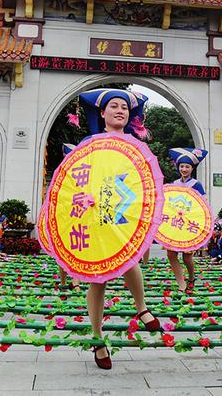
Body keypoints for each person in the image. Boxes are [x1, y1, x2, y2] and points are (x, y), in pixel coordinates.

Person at [77, 88, 161, 370]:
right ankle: (97, 338)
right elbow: (78, 178)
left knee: (130, 259)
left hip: (124, 214)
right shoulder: (89, 143)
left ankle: (142, 308)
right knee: (97, 279)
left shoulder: (137, 147)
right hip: (96, 214)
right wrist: (85, 196)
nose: (120, 111)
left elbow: (146, 182)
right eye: (114, 106)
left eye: (125, 108)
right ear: (102, 113)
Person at [164, 147, 207, 292]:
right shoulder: (174, 184)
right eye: (181, 166)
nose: (184, 169)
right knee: (171, 254)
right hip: (175, 224)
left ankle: (192, 277)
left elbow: (203, 205)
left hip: (189, 224)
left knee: (187, 257)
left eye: (187, 166)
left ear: (192, 168)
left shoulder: (196, 185)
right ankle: (181, 283)